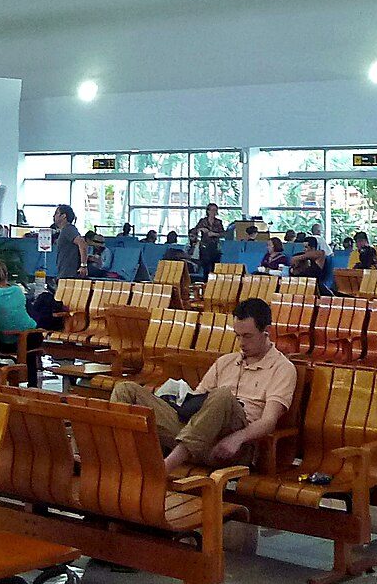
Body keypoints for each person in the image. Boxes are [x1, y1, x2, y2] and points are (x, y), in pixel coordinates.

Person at [110, 298, 296, 474]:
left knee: (223, 396)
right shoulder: (226, 362)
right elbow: (197, 400)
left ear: (267, 331)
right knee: (126, 389)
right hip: (199, 440)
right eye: (237, 336)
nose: (241, 343)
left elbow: (269, 421)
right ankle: (119, 462)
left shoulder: (282, 369)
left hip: (233, 447)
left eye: (247, 336)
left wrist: (237, 438)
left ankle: (163, 468)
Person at [51, 203, 85, 279]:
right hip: (65, 272)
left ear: (64, 216)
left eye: (57, 213)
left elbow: (82, 243)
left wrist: (83, 265)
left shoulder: (68, 229)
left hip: (69, 274)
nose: (54, 216)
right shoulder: (64, 231)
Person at [190, 203, 224, 274]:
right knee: (206, 268)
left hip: (215, 247)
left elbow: (223, 234)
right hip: (204, 247)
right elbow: (194, 231)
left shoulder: (218, 222)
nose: (214, 212)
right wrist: (201, 229)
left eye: (215, 210)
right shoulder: (203, 221)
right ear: (208, 211)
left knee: (214, 267)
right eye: (212, 210)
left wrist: (214, 234)